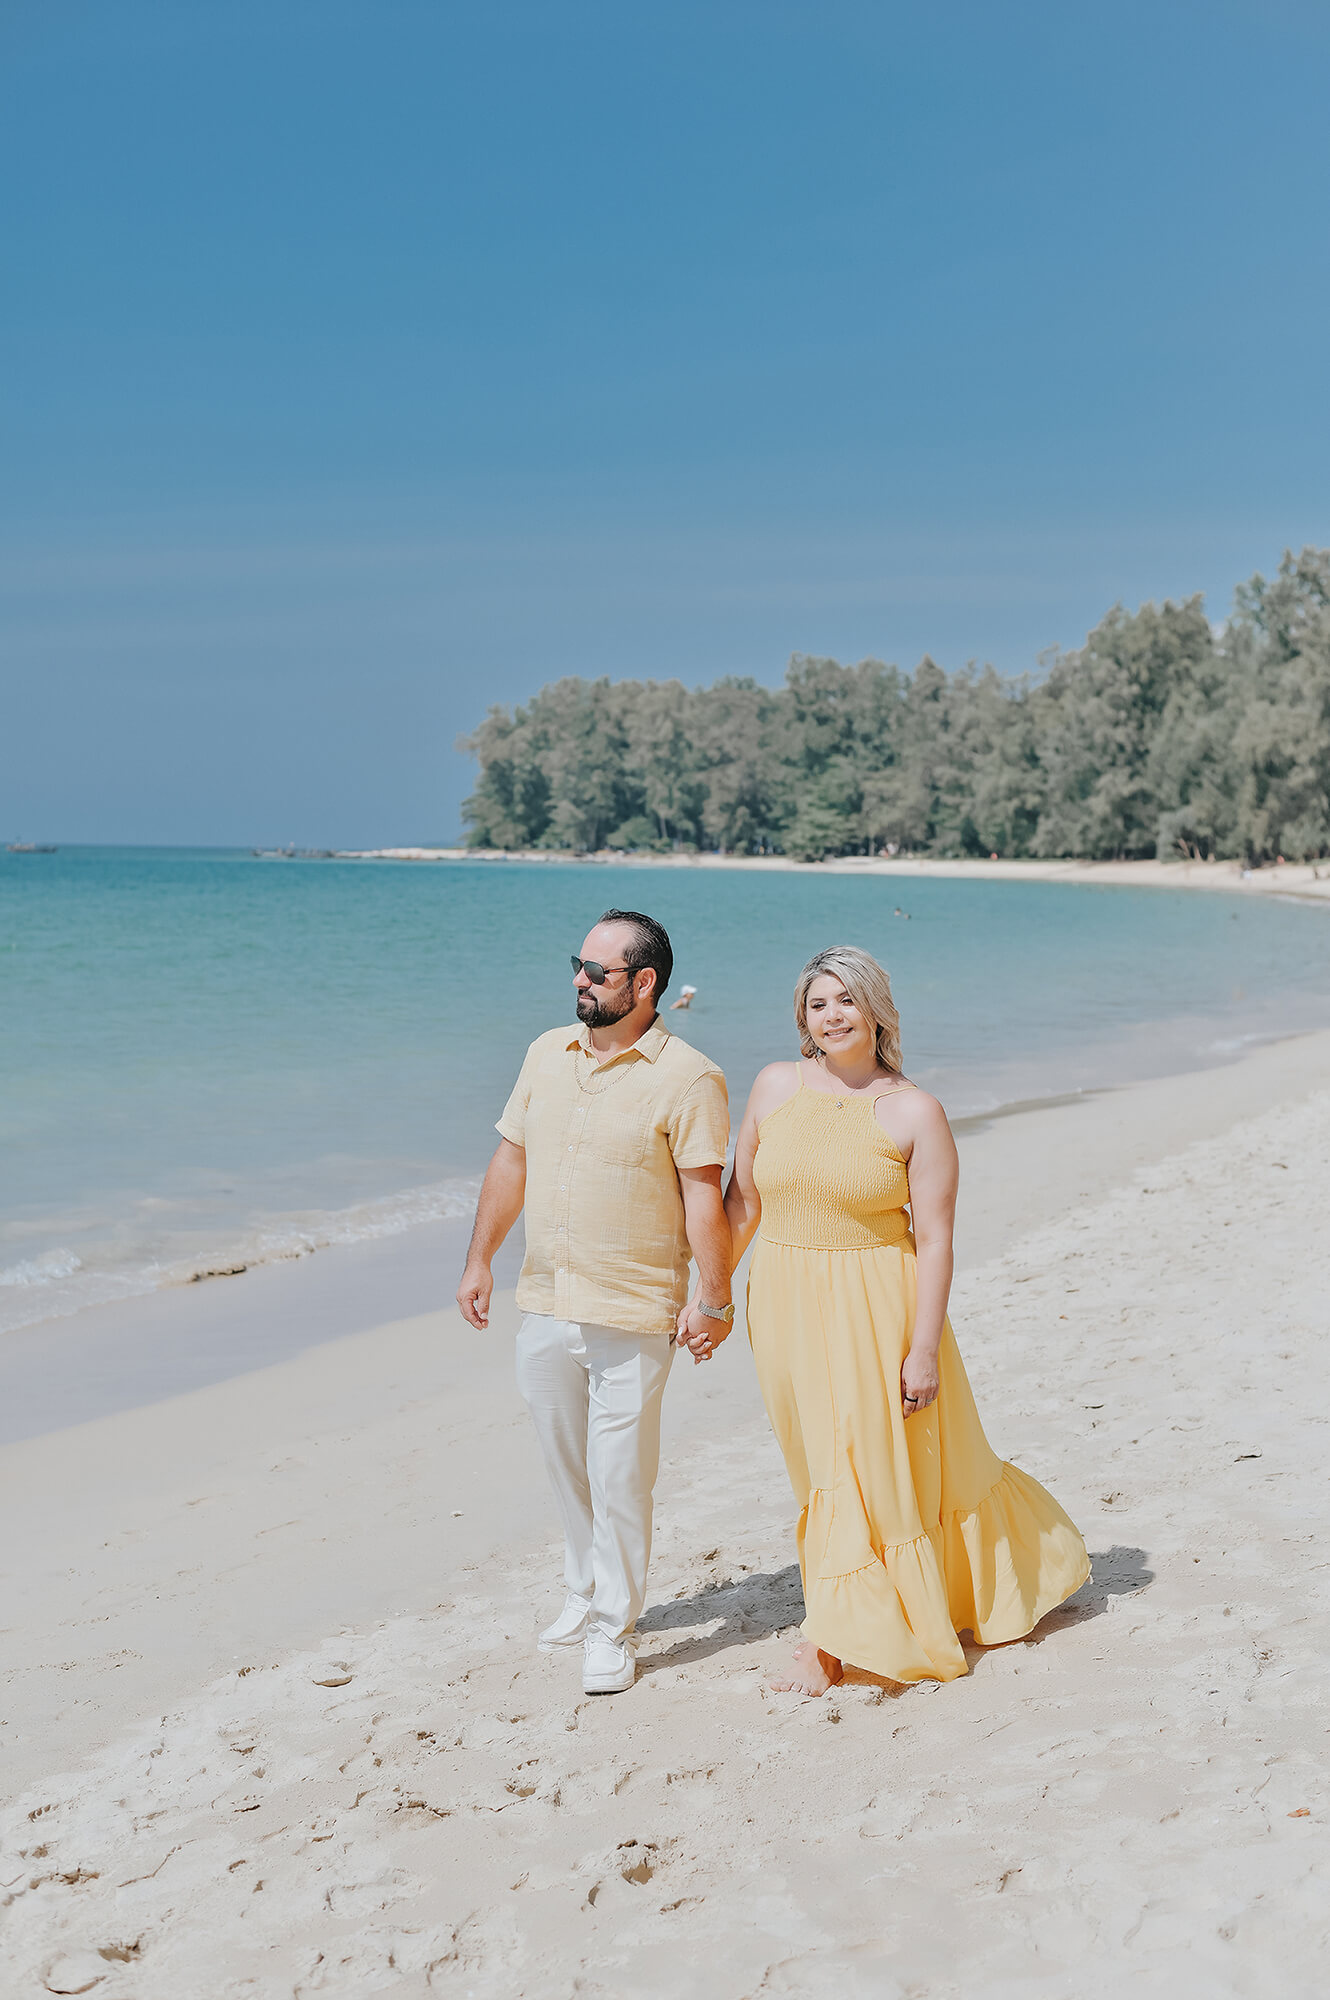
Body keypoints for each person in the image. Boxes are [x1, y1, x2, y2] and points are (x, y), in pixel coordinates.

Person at [710, 944, 1089, 1694]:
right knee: (818, 1461)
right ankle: (884, 1604)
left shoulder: (915, 1110)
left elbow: (938, 1238)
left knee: (862, 1462)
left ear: (875, 1009)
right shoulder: (773, 1086)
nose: (832, 1015)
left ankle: (828, 1640)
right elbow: (743, 1203)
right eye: (818, 1004)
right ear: (802, 1018)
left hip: (875, 1301)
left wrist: (922, 1350)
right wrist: (711, 1294)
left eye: (846, 1000)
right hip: (781, 1298)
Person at [456, 910, 732, 1696]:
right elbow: (510, 1162)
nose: (579, 979)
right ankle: (582, 1589)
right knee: (564, 1465)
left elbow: (704, 1199)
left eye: (597, 970)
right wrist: (480, 1260)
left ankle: (615, 1626)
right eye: (576, 963)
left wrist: (713, 1300)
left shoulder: (691, 1077)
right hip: (544, 1298)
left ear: (644, 985)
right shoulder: (547, 1053)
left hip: (635, 1308)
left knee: (620, 1475)